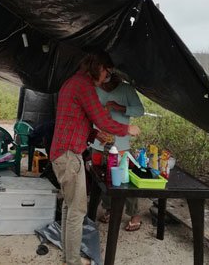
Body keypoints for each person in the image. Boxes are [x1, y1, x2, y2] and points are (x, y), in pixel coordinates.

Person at [50, 52, 141, 265]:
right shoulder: (84, 85)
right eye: (107, 72)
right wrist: (127, 128)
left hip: (63, 153)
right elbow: (102, 118)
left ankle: (68, 256)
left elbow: (74, 120)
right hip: (69, 155)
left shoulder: (71, 83)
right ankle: (72, 261)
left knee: (69, 206)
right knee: (78, 210)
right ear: (98, 67)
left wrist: (93, 134)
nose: (106, 77)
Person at [89, 73, 145, 231]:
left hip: (120, 145)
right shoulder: (95, 88)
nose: (104, 86)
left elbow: (140, 110)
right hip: (99, 143)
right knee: (102, 179)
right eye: (102, 84)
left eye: (108, 84)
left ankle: (134, 214)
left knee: (125, 181)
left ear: (116, 79)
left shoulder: (126, 90)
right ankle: (109, 209)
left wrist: (118, 107)